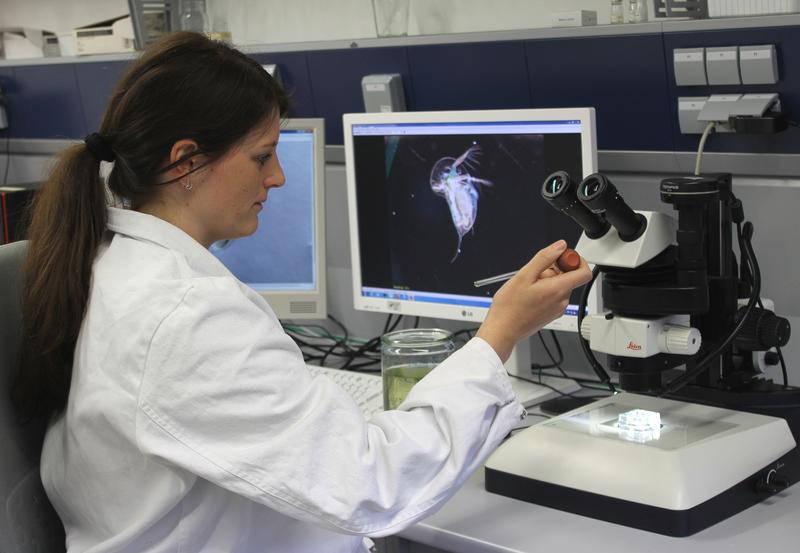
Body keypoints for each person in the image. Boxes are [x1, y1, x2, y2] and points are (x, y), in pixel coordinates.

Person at [13, 32, 591, 553]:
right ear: (186, 162)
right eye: (262, 156)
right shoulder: (184, 315)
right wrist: (499, 335)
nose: (278, 177)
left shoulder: (113, 266)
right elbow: (372, 484)